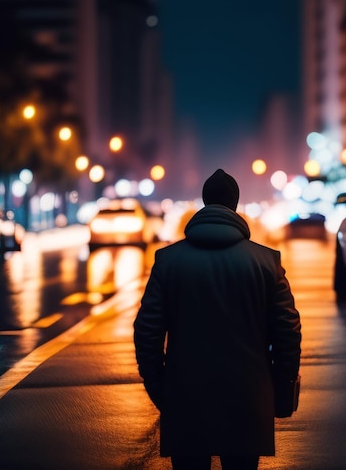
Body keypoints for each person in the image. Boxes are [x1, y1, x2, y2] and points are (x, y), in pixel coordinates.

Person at [134, 168, 302, 470]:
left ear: (204, 202)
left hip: (185, 397)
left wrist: (159, 388)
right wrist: (280, 386)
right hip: (248, 397)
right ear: (234, 205)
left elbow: (147, 330)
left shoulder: (168, 261)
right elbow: (288, 331)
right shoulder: (266, 262)